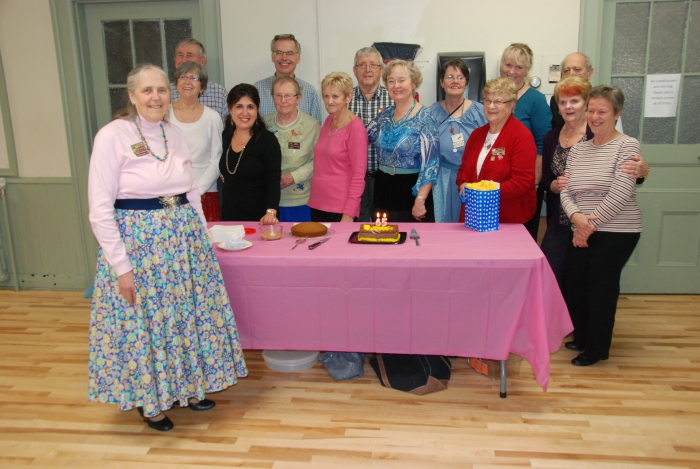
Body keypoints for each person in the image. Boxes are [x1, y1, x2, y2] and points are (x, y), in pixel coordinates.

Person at [87, 64, 247, 432]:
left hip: (182, 242)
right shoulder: (112, 135)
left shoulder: (173, 133)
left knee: (183, 318)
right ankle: (151, 401)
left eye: (161, 90)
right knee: (149, 324)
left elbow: (190, 190)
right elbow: (99, 209)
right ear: (132, 96)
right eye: (147, 90)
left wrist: (202, 239)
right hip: (139, 246)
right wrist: (122, 267)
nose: (156, 97)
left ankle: (188, 388)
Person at [560, 85, 642, 367]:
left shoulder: (627, 145)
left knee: (599, 289)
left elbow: (621, 192)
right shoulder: (578, 149)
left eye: (602, 112)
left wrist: (587, 225)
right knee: (574, 285)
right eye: (591, 111)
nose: (595, 117)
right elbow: (566, 190)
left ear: (617, 114)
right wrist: (577, 219)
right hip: (581, 226)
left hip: (617, 230)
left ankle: (596, 348)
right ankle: (582, 336)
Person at [550, 52, 650, 180]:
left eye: (577, 69)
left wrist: (641, 170)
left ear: (590, 73)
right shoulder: (555, 102)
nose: (572, 74)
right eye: (566, 70)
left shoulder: (605, 101)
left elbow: (620, 149)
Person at [456, 77, 536, 224]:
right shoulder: (476, 135)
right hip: (474, 215)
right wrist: (463, 184)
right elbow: (463, 171)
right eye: (487, 100)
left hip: (507, 218)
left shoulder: (521, 136)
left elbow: (522, 181)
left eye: (498, 101)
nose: (491, 106)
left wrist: (485, 190)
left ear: (512, 104)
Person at [368, 60, 439, 222]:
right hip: (383, 189)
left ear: (414, 83)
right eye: (391, 81)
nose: (396, 85)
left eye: (401, 80)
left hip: (412, 193)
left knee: (412, 238)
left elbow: (431, 164)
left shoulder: (426, 117)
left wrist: (420, 200)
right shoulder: (383, 116)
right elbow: (362, 136)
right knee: (382, 236)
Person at [540, 75, 593, 290]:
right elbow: (545, 179)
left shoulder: (596, 134)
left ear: (586, 103)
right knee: (550, 275)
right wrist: (553, 185)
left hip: (590, 220)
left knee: (580, 280)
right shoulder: (551, 137)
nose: (568, 107)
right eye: (563, 102)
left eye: (575, 101)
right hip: (558, 220)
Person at [500, 43, 552, 240]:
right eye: (508, 65)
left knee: (522, 238)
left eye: (519, 67)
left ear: (527, 69)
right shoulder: (495, 96)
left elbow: (543, 145)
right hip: (497, 183)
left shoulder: (535, 100)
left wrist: (534, 183)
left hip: (524, 182)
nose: (512, 71)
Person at [428, 59, 487, 222]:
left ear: (466, 82)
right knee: (444, 225)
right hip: (441, 179)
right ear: (442, 82)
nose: (455, 81)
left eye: (460, 77)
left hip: (473, 178)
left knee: (471, 225)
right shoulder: (431, 113)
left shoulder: (480, 112)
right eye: (450, 77)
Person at [307, 72, 367, 222]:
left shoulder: (356, 127)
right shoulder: (329, 120)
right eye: (326, 96)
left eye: (335, 96)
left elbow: (359, 175)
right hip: (318, 202)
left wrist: (349, 212)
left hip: (341, 207)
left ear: (348, 97)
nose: (329, 101)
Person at [169, 62, 223, 221]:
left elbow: (217, 159)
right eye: (183, 77)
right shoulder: (164, 115)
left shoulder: (213, 118)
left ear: (202, 87)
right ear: (176, 84)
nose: (187, 81)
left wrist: (197, 190)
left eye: (193, 78)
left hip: (205, 192)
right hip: (171, 193)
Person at [220, 84, 281, 224]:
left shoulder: (267, 140)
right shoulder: (226, 135)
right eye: (239, 106)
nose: (245, 113)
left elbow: (273, 181)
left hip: (260, 218)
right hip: (229, 216)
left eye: (250, 107)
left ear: (257, 110)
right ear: (230, 109)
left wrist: (270, 212)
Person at [262, 76, 320, 222]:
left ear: (298, 98)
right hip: (268, 202)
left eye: (288, 95)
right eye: (278, 95)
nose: (283, 100)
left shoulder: (312, 125)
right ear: (272, 98)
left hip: (301, 201)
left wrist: (293, 177)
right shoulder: (263, 124)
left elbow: (318, 161)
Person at [348, 46, 394, 222]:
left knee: (384, 227)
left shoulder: (393, 99)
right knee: (356, 227)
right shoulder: (345, 99)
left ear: (381, 70)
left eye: (373, 65)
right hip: (353, 179)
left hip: (385, 179)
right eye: (362, 65)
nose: (367, 69)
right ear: (355, 70)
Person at [254, 34, 322, 122]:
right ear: (272, 57)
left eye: (290, 53)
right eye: (279, 53)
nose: (284, 58)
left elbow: (316, 127)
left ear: (298, 58)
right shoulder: (258, 90)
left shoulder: (309, 92)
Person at [169, 38, 228, 121]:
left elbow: (228, 126)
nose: (184, 60)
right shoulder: (165, 92)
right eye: (180, 55)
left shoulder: (220, 93)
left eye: (189, 55)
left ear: (202, 61)